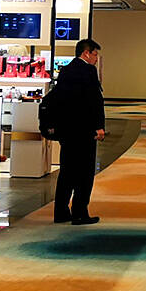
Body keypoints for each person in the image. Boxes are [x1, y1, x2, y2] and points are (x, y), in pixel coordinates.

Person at [51, 38, 105, 225]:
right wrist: (98, 126)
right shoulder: (88, 71)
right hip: (84, 131)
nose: (96, 58)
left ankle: (61, 211)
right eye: (95, 54)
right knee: (84, 173)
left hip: (67, 130)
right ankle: (80, 212)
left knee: (67, 172)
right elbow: (93, 101)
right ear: (86, 53)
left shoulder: (66, 70)